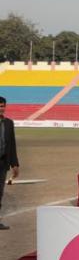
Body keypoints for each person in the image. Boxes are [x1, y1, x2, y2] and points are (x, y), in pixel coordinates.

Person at [0, 96, 20, 230]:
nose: (2, 108)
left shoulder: (9, 123)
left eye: (3, 106)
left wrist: (15, 164)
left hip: (2, 163)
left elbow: (12, 144)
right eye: (0, 106)